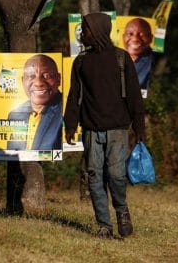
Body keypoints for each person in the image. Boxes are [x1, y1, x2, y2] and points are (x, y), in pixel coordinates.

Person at [64, 12, 146, 239]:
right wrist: (70, 125)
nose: (82, 32)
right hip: (91, 130)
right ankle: (104, 226)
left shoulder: (121, 58)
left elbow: (134, 96)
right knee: (94, 177)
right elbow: (74, 96)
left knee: (117, 175)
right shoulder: (80, 62)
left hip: (118, 130)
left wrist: (139, 128)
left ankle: (122, 210)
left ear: (98, 31)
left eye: (86, 28)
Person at [6, 54, 63, 151]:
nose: (38, 83)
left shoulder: (65, 110)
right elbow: (13, 154)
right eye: (31, 76)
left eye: (46, 76)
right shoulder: (14, 115)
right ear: (22, 81)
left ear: (58, 79)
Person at [122, 17, 154, 91]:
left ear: (151, 38)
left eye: (142, 35)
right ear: (123, 37)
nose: (135, 39)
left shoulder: (155, 62)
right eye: (130, 34)